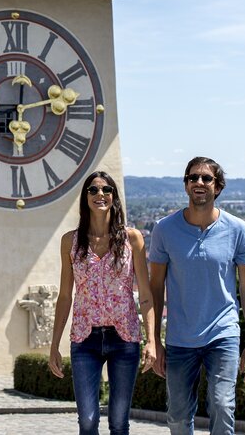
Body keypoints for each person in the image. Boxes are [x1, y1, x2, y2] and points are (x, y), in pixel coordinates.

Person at [148, 157, 245, 435]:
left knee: (222, 405)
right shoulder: (164, 229)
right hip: (179, 337)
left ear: (218, 187)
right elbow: (155, 288)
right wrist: (154, 341)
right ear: (186, 186)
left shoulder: (238, 230)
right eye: (193, 178)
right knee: (176, 414)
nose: (199, 182)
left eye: (206, 178)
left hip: (223, 334)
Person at [49, 171, 157, 435]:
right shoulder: (70, 242)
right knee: (87, 421)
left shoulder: (133, 239)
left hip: (125, 338)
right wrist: (54, 345)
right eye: (94, 190)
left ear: (114, 198)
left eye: (107, 190)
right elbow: (65, 296)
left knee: (119, 423)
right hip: (84, 339)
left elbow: (144, 293)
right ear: (85, 197)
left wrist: (152, 340)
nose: (101, 195)